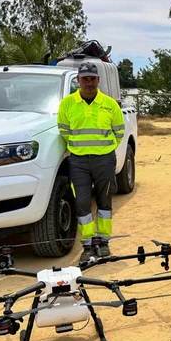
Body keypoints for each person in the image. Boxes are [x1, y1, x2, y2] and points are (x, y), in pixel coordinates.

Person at [57, 62, 125, 263]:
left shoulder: (110, 104)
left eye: (92, 79)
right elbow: (63, 130)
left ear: (98, 80)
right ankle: (87, 244)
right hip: (78, 161)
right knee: (82, 202)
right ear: (78, 80)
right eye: (85, 78)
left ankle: (103, 242)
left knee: (105, 201)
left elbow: (119, 131)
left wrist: (104, 148)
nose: (88, 83)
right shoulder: (67, 104)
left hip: (104, 160)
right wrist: (79, 148)